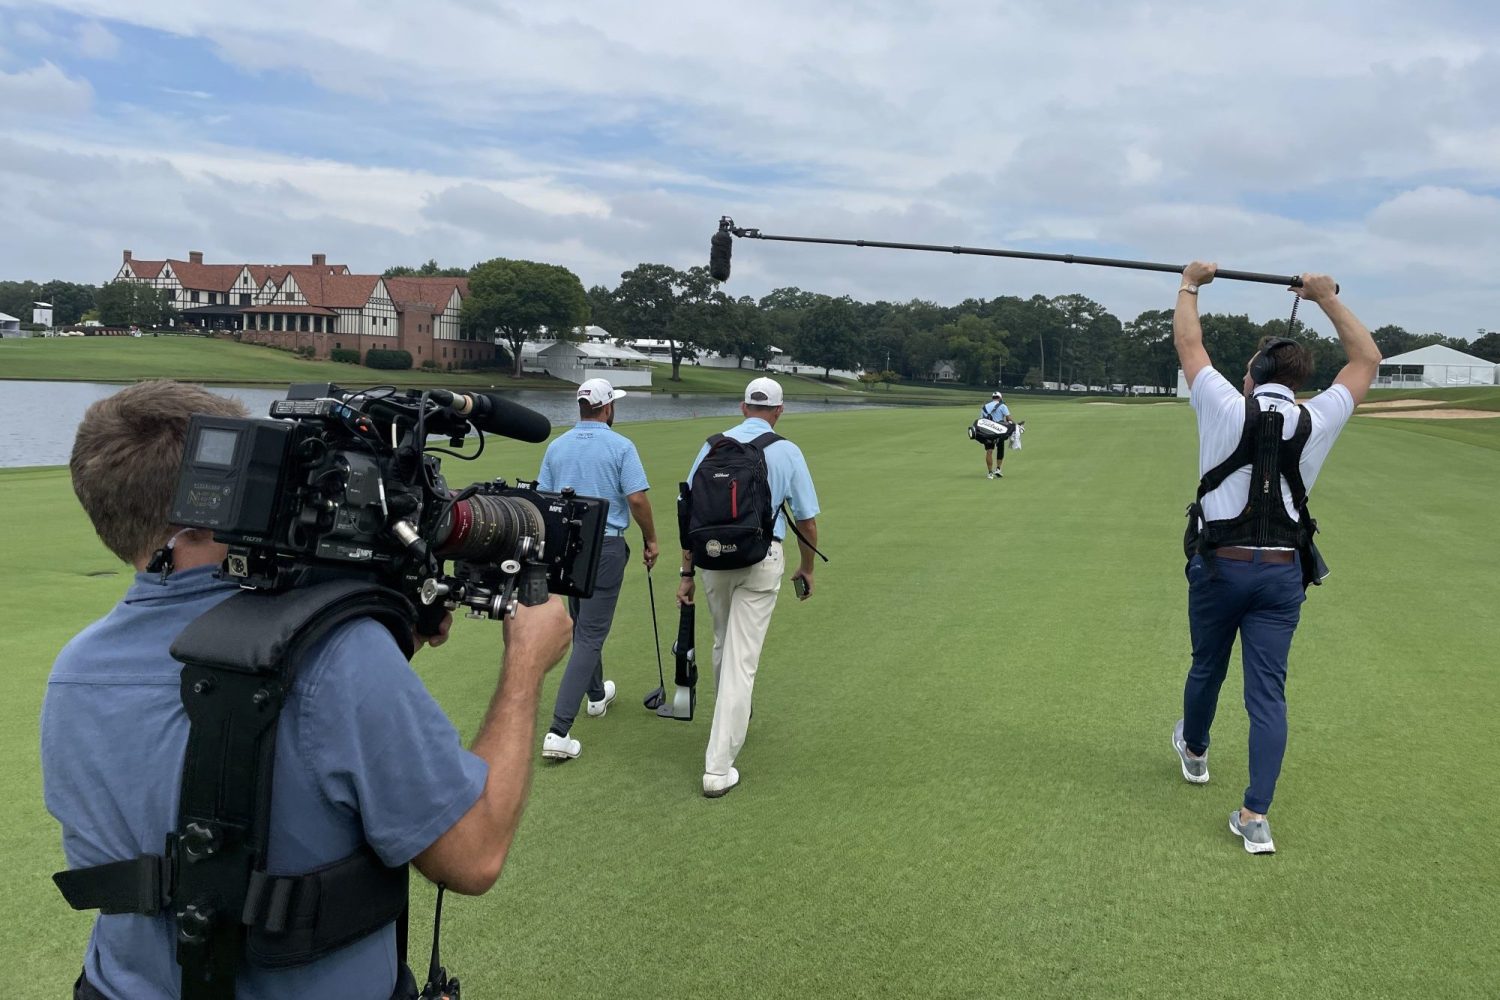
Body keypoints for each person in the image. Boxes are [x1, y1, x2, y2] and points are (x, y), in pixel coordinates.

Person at [44, 380, 573, 998]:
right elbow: (474, 856)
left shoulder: (75, 667)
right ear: (212, 501)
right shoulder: (342, 660)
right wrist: (525, 666)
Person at [1169, 264, 1380, 854]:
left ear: (1253, 373)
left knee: (1207, 665)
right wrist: (1326, 299)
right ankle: (1255, 818)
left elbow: (1189, 342)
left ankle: (1195, 750)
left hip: (1219, 567)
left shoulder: (1222, 403)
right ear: (1298, 380)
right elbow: (1366, 360)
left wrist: (1190, 284)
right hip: (1283, 575)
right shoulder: (1320, 416)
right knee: (1268, 694)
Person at [677, 377, 820, 798]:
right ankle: (718, 768)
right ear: (778, 411)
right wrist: (807, 566)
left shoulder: (711, 446)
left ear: (743, 408)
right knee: (742, 659)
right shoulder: (786, 450)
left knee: (724, 643)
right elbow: (807, 519)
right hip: (761, 558)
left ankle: (732, 715)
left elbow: (689, 514)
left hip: (712, 558)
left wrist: (686, 573)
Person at [536, 377, 659, 761]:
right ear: (607, 409)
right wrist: (651, 539)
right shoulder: (621, 445)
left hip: (565, 549)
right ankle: (559, 731)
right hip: (604, 547)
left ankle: (595, 695)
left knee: (582, 626)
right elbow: (636, 499)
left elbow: (544, 497)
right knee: (589, 635)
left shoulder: (557, 446)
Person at [979, 391, 1014, 479]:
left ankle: (990, 473)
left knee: (989, 451)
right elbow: (1009, 419)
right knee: (1000, 449)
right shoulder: (1003, 406)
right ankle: (998, 469)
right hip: (999, 430)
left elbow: (981, 420)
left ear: (992, 398)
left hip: (988, 432)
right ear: (1000, 398)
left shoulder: (985, 407)